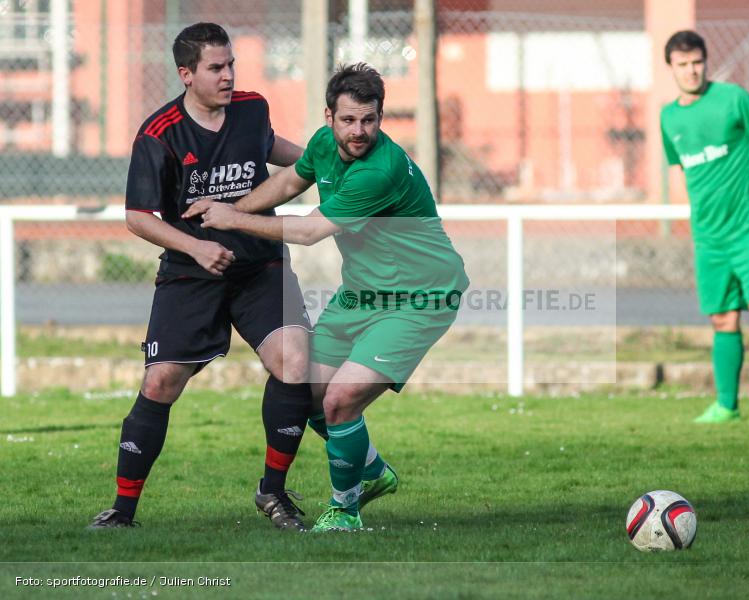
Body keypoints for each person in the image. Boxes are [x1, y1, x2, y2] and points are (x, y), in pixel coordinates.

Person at [183, 63, 470, 531]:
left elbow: (312, 230)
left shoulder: (380, 170)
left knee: (340, 400)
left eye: (370, 120)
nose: (360, 131)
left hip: (421, 296)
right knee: (308, 397)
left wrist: (231, 220)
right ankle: (372, 471)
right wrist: (232, 206)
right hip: (363, 292)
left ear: (381, 117)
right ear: (329, 117)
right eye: (349, 120)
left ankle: (345, 509)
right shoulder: (322, 145)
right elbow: (289, 182)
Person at [89, 22, 317, 530]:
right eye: (216, 67)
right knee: (162, 380)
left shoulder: (252, 107)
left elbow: (272, 145)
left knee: (294, 359)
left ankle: (273, 492)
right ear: (186, 74)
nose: (229, 75)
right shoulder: (159, 133)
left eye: (231, 63)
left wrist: (320, 163)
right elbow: (138, 216)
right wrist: (197, 246)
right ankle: (122, 511)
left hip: (260, 265)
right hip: (191, 272)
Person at [660, 30, 749, 425]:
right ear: (671, 68)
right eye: (682, 65)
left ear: (706, 61)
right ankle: (727, 406)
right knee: (722, 318)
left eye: (697, 63)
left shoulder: (735, 99)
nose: (691, 71)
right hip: (709, 235)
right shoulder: (669, 116)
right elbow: (679, 167)